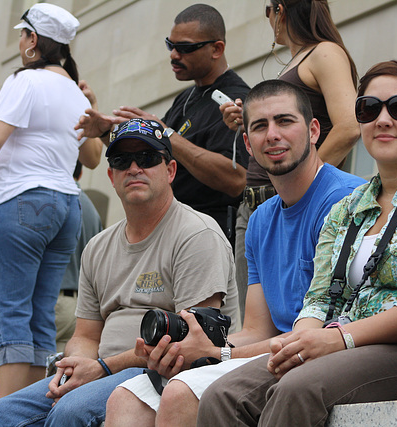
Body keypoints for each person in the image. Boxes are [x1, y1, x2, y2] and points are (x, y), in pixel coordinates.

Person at [197, 60, 397, 427]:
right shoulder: (348, 206)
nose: (383, 120)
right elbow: (319, 297)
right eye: (369, 109)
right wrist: (302, 342)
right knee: (223, 395)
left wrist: (340, 340)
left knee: (298, 389)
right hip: (340, 342)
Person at [105, 80, 366, 427]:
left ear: (314, 130)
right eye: (259, 126)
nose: (272, 135)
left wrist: (219, 353)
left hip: (328, 354)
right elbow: (259, 329)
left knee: (181, 392)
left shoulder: (346, 201)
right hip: (274, 352)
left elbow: (331, 330)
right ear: (247, 142)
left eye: (285, 121)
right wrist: (188, 346)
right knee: (125, 399)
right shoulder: (260, 220)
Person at [0, 118, 240, 427]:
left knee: (70, 413)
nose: (134, 167)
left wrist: (101, 367)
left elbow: (191, 345)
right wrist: (77, 367)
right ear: (111, 176)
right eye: (122, 160)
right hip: (102, 370)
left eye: (148, 158)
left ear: (170, 171)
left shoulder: (197, 233)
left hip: (164, 372)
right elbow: (86, 334)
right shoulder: (97, 247)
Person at [0, 3, 103, 397]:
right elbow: (91, 158)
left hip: (17, 201)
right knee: (40, 317)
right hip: (65, 206)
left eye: (22, 35)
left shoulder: (24, 81)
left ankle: (8, 416)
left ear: (33, 41)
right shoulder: (74, 90)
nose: (20, 41)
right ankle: (36, 413)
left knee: (8, 315)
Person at [221, 0, 359, 317]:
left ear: (279, 9)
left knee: (306, 315)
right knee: (258, 320)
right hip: (261, 209)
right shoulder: (299, 60)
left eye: (267, 10)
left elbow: (350, 125)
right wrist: (246, 118)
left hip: (297, 204)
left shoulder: (324, 52)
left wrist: (304, 185)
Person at [86, 4, 250, 247]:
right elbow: (154, 157)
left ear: (217, 49)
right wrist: (104, 131)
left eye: (184, 48)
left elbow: (237, 180)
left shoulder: (236, 101)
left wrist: (166, 133)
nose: (174, 55)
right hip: (166, 232)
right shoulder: (186, 98)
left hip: (209, 238)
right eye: (170, 45)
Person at [55, 161, 104, 353]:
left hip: (51, 303)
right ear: (81, 173)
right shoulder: (91, 209)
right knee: (52, 374)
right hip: (80, 310)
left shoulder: (54, 201)